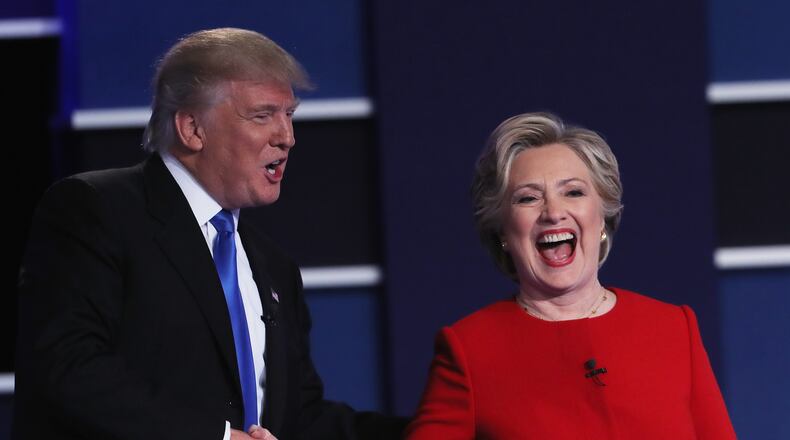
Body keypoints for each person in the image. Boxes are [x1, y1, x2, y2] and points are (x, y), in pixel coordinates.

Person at [13, 28, 404, 440]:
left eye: (289, 115)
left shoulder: (273, 268)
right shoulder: (95, 209)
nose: (287, 137)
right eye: (263, 115)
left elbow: (301, 421)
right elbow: (67, 368)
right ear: (192, 129)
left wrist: (436, 431)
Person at [405, 112, 736, 439]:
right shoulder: (468, 349)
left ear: (602, 217)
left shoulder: (674, 328)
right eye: (528, 198)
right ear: (503, 231)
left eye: (573, 192)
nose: (553, 212)